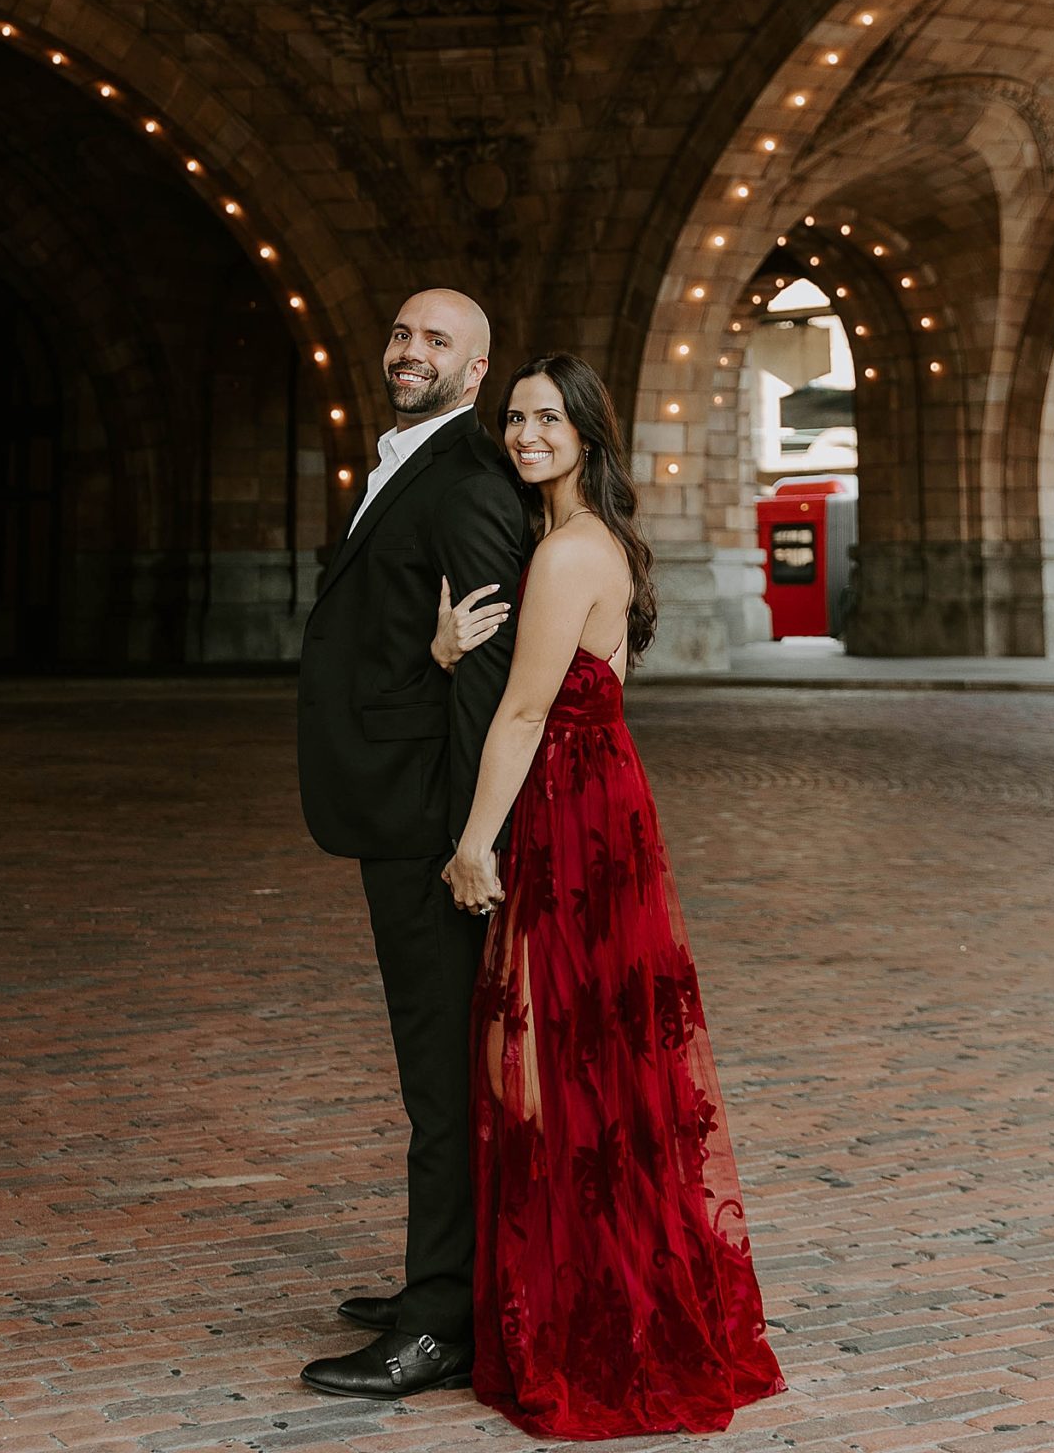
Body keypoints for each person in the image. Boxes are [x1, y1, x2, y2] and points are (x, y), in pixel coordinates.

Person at [444, 353, 787, 1438]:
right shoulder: (602, 545)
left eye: (548, 416)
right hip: (606, 803)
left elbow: (522, 716)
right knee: (598, 1055)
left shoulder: (565, 553)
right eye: (514, 417)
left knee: (548, 1058)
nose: (526, 433)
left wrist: (470, 844)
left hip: (569, 812)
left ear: (588, 432)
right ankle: (597, 1289)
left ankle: (587, 1313)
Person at [297, 287, 531, 1403]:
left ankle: (442, 1319)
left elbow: (487, 688)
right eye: (402, 333)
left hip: (435, 833)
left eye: (439, 340)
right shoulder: (402, 461)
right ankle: (444, 1275)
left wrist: (469, 845)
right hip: (393, 816)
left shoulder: (472, 484)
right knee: (429, 1071)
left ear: (477, 371)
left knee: (444, 1081)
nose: (411, 351)